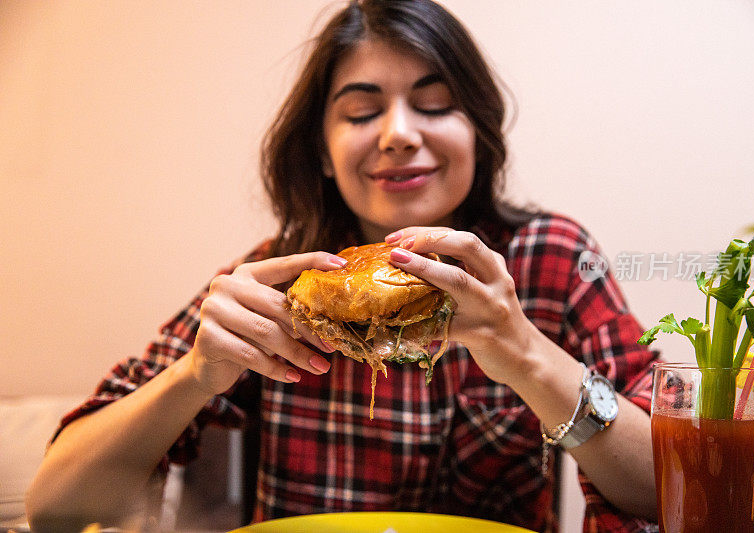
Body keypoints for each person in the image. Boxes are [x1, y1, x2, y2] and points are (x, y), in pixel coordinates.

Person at [26, 0, 659, 531]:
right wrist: (193, 375)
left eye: (435, 104)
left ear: (478, 133)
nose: (398, 134)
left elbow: (671, 492)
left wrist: (524, 352)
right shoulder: (278, 280)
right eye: (361, 111)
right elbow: (55, 508)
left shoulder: (550, 258)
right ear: (323, 153)